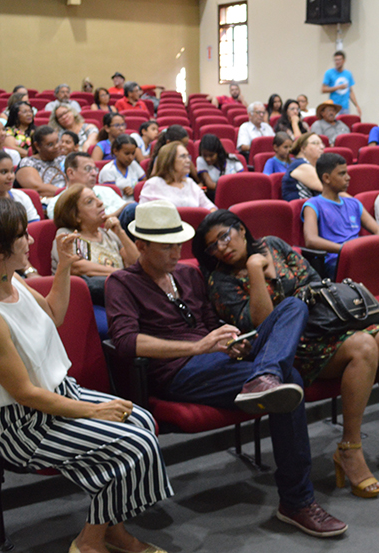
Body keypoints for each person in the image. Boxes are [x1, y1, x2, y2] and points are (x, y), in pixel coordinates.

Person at [105, 201, 347, 538]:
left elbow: (208, 322)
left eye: (178, 244)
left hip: (218, 359)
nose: (176, 253)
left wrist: (230, 340)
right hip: (179, 370)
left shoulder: (188, 274)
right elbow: (126, 342)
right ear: (141, 245)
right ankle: (297, 501)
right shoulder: (121, 282)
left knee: (292, 306)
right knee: (289, 380)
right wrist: (198, 347)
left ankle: (265, 374)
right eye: (166, 247)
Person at [0, 197, 171, 553]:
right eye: (21, 235)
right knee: (133, 444)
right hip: (24, 424)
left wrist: (65, 266)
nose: (31, 240)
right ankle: (89, 542)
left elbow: (54, 314)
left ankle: (111, 531)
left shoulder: (12, 279)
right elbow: (25, 394)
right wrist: (95, 410)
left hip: (60, 394)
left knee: (140, 421)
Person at [196, 210, 379, 501]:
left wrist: (290, 294)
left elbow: (315, 282)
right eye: (212, 246)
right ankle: (350, 448)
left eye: (224, 237)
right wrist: (255, 270)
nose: (221, 248)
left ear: (241, 229)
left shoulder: (274, 245)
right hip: (285, 352)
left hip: (321, 327)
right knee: (364, 346)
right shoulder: (220, 281)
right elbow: (263, 326)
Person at [52, 183, 140, 305]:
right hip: (87, 302)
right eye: (90, 202)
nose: (100, 203)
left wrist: (121, 233)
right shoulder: (70, 235)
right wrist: (122, 275)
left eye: (97, 198)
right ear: (75, 216)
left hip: (120, 294)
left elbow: (137, 263)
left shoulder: (108, 234)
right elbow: (78, 267)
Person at [302, 153, 379, 278]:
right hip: (337, 260)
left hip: (360, 256)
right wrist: (346, 249)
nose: (348, 178)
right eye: (342, 174)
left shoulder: (354, 203)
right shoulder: (313, 205)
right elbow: (311, 240)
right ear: (326, 178)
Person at [47, 152, 135, 228]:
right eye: (88, 169)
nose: (94, 173)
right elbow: (71, 225)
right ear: (71, 173)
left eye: (95, 169)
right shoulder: (56, 203)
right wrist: (119, 211)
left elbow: (127, 213)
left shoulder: (107, 191)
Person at [139, 141, 215, 210]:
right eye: (183, 156)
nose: (188, 161)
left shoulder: (190, 183)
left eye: (188, 157)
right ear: (169, 160)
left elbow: (210, 207)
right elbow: (142, 214)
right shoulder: (153, 184)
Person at [16, 126, 66, 198]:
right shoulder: (28, 163)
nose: (56, 146)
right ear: (37, 146)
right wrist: (67, 193)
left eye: (57, 141)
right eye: (50, 144)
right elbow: (37, 188)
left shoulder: (62, 158)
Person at [195, 134, 244, 199]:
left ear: (218, 153)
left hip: (236, 194)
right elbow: (210, 185)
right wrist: (231, 188)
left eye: (211, 155)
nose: (207, 159)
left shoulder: (232, 158)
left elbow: (242, 180)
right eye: (205, 155)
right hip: (216, 196)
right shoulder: (201, 160)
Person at [99, 135, 146, 200]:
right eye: (127, 154)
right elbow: (110, 197)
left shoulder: (134, 164)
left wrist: (135, 190)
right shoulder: (108, 170)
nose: (131, 157)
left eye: (133, 153)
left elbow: (144, 184)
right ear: (115, 151)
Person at [281, 133, 325, 201]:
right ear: (303, 148)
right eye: (315, 143)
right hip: (301, 206)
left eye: (322, 143)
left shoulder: (313, 165)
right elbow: (328, 190)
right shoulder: (300, 165)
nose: (322, 147)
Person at [320, 50, 360, 115]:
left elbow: (350, 91)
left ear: (344, 61)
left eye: (339, 60)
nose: (337, 62)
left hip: (345, 107)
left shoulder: (348, 74)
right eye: (335, 60)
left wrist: (357, 105)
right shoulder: (329, 73)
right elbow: (323, 89)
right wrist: (338, 87)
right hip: (334, 107)